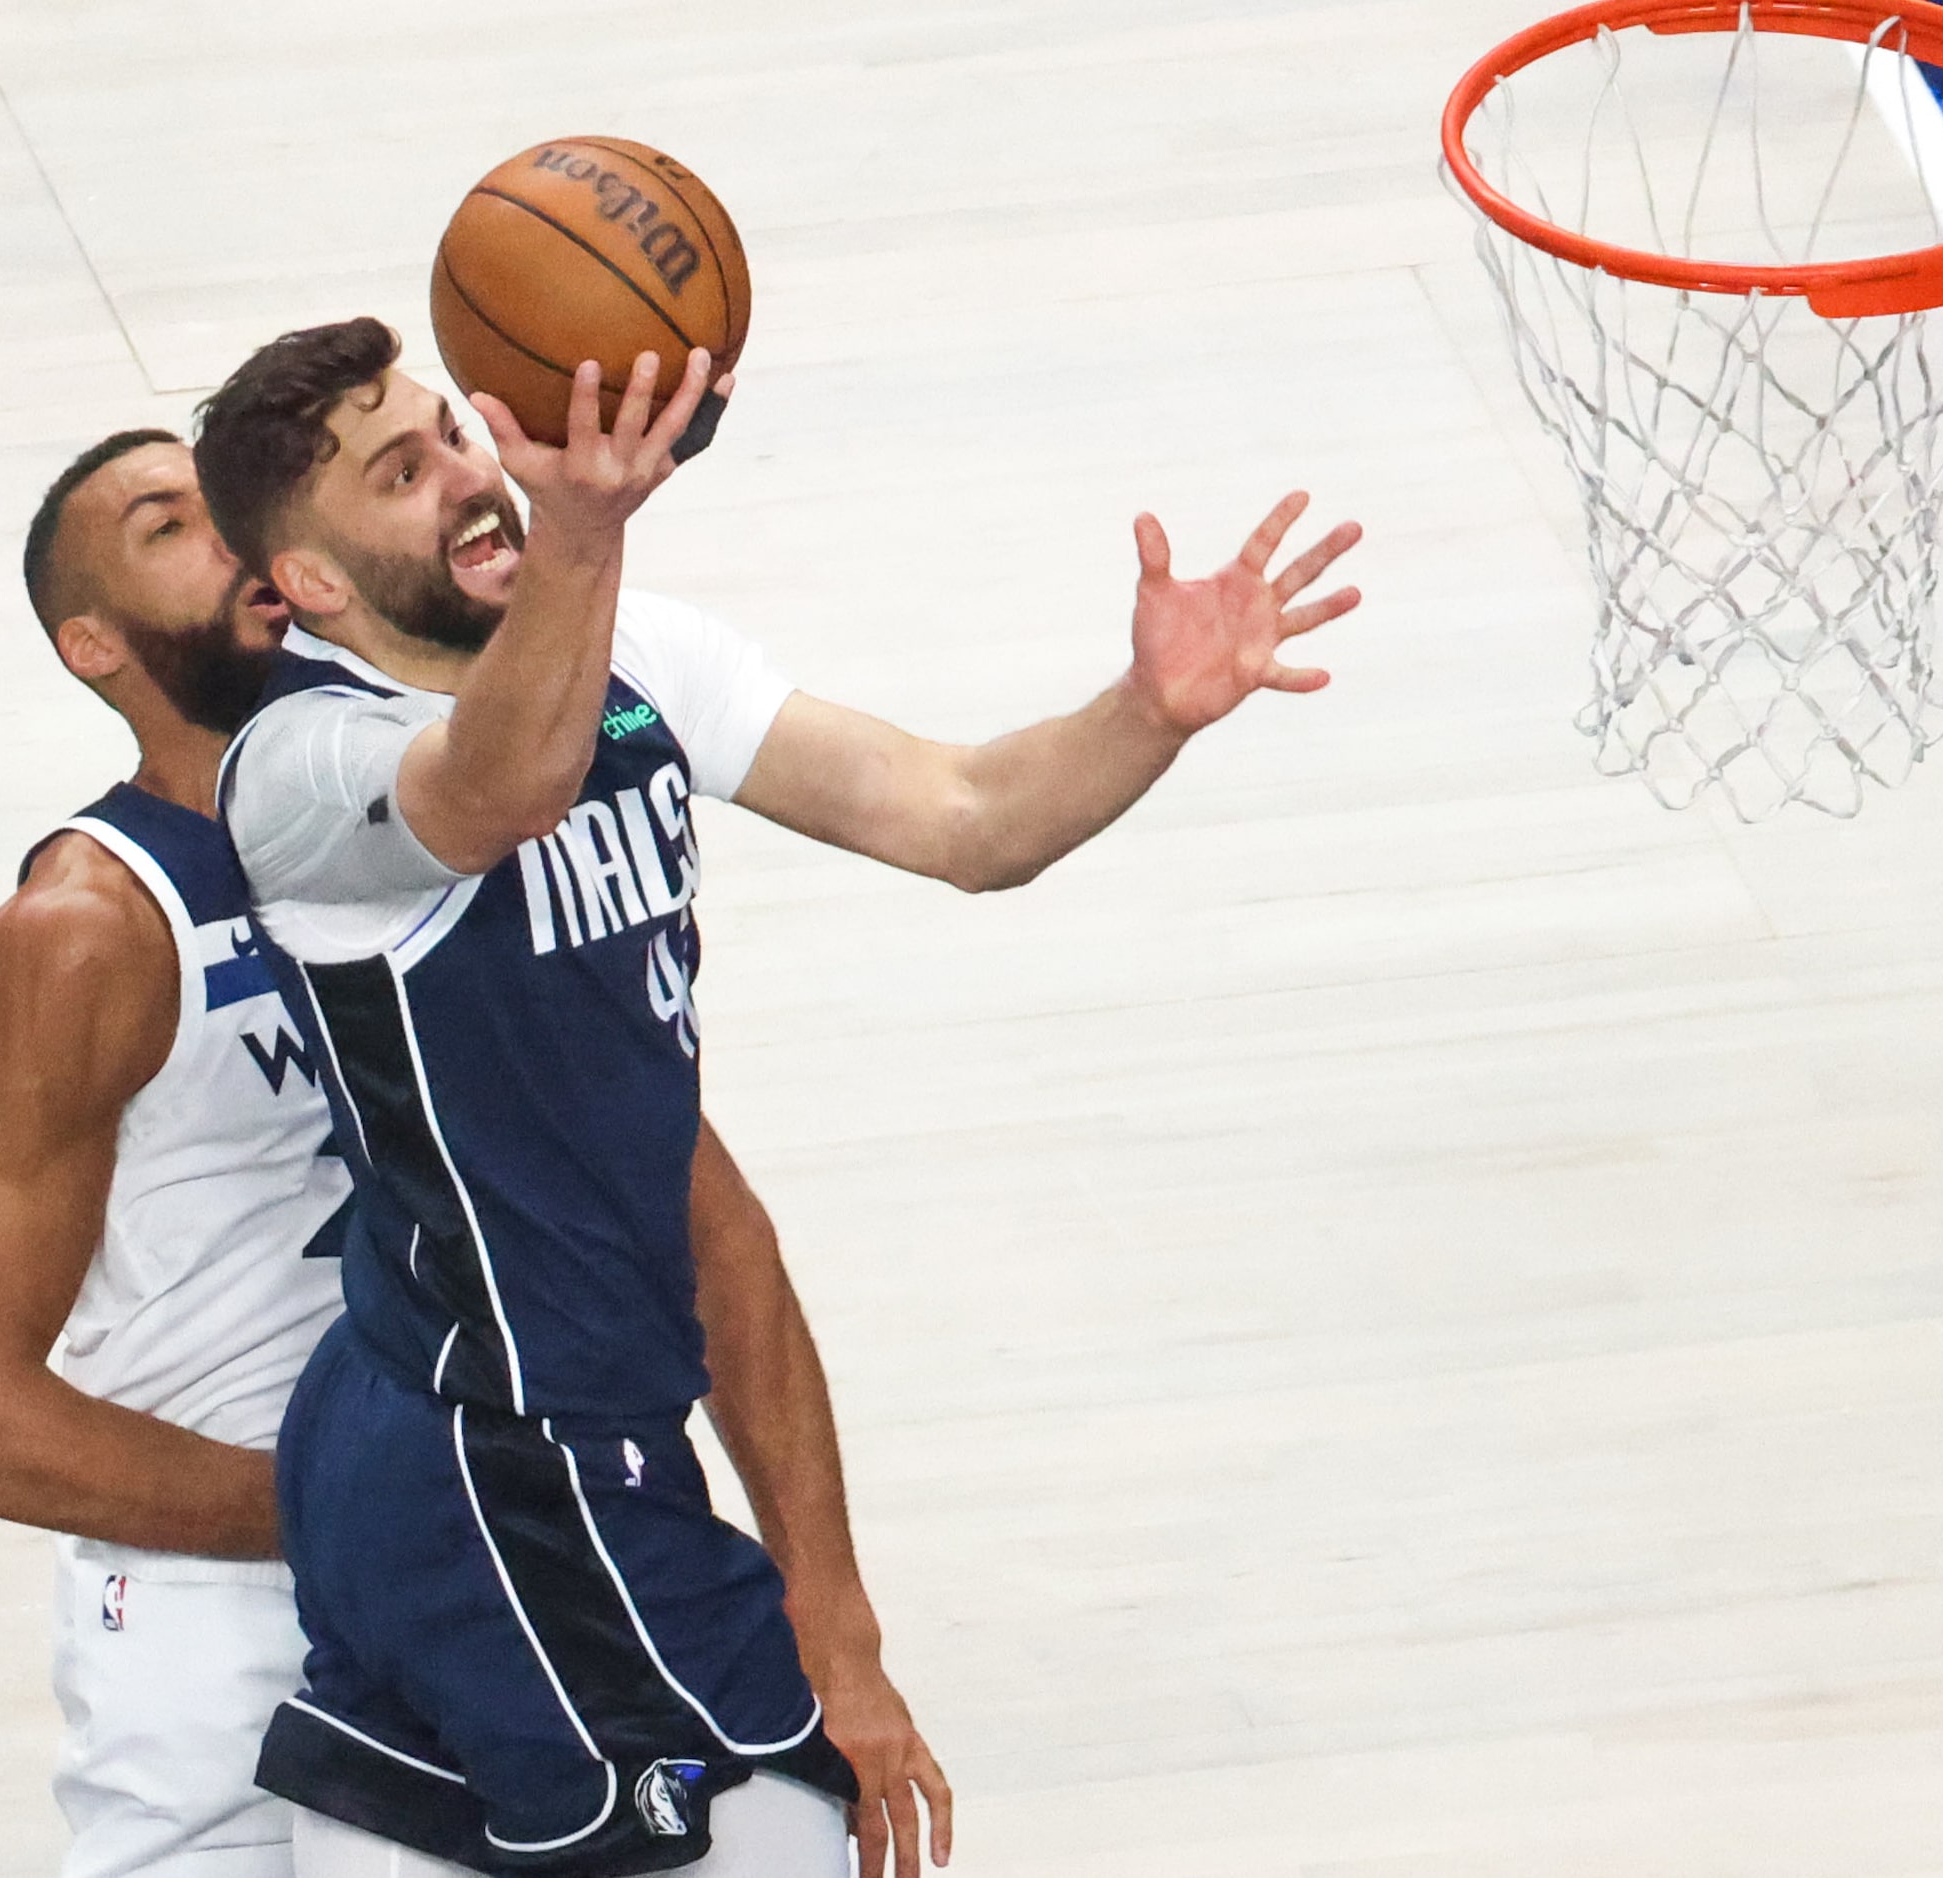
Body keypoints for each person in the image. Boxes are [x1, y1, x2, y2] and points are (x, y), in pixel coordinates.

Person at [190, 319, 1362, 1878]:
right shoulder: (305, 764)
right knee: (791, 1829)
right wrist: (584, 534)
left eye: (455, 435)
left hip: (485, 1424)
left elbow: (963, 815)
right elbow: (497, 788)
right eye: (405, 474)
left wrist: (1144, 709)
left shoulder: (639, 653)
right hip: (496, 1449)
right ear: (312, 584)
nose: (471, 480)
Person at [0, 431, 356, 1878]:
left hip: (462, 1573)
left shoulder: (421, 820)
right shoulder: (85, 930)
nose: (229, 537)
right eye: (173, 522)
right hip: (224, 1623)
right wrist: (332, 1509)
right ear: (91, 645)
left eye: (234, 504)